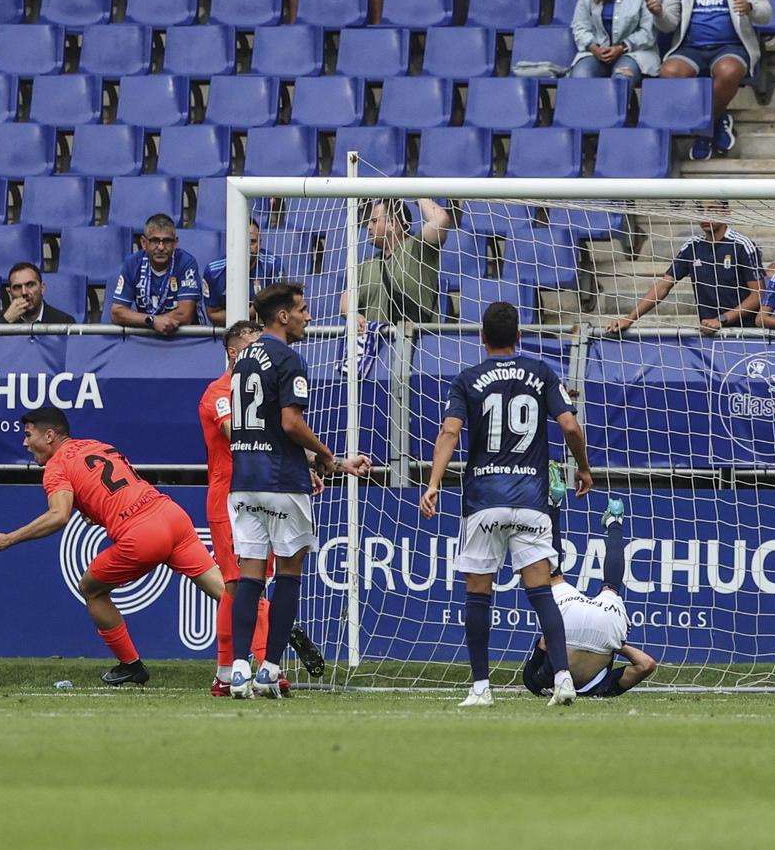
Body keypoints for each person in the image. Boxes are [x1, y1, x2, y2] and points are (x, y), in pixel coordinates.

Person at [420, 301, 592, 708]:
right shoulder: (541, 372)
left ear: (482, 338)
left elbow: (449, 432)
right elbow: (569, 424)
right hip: (532, 499)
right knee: (541, 593)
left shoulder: (468, 378)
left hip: (484, 499)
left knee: (478, 592)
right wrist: (583, 469)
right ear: (519, 336)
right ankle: (564, 678)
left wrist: (432, 483)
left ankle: (481, 688)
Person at [0, 407, 228, 688]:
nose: (24, 443)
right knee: (226, 592)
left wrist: (10, 539)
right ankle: (273, 640)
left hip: (142, 535)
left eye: (29, 435)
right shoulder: (96, 445)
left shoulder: (56, 466)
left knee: (91, 588)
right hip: (171, 514)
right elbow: (118, 486)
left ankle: (131, 665)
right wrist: (97, 510)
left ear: (50, 435)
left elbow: (58, 515)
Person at [225, 282, 371, 698]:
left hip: (245, 482)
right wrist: (327, 454)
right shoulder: (289, 358)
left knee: (251, 576)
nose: (309, 317)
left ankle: (239, 669)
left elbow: (266, 425)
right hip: (281, 483)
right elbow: (290, 423)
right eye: (303, 310)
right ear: (283, 316)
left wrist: (329, 461)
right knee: (289, 574)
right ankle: (270, 668)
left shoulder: (243, 361)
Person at [198, 321, 276, 695]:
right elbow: (238, 433)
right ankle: (263, 667)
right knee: (243, 583)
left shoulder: (259, 393)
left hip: (260, 494)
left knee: (239, 588)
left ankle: (226, 673)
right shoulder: (218, 393)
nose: (262, 354)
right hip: (229, 498)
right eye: (253, 345)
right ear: (234, 352)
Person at [518, 500, 660, 699]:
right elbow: (545, 641)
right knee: (553, 575)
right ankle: (554, 504)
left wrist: (613, 644)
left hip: (604, 625)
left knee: (611, 587)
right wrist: (612, 645)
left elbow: (646, 665)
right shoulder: (534, 683)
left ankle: (615, 520)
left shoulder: (603, 689)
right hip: (571, 625)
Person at [654, 0, 771, 159]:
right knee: (668, 72)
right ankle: (719, 119)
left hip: (730, 46)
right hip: (690, 47)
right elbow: (669, 24)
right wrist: (658, 13)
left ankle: (704, 133)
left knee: (728, 71)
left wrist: (750, 7)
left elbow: (766, 13)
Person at [605, 200, 762, 335]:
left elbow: (759, 295)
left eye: (712, 209)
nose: (705, 215)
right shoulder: (692, 246)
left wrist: (722, 319)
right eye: (700, 210)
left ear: (726, 212)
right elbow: (662, 287)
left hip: (746, 334)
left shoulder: (742, 245)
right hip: (708, 333)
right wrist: (629, 318)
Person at [344, 196, 451, 325]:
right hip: (375, 342)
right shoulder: (365, 265)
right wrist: (352, 314)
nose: (368, 227)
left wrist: (418, 193)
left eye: (374, 221)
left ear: (393, 224)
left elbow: (441, 220)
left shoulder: (418, 248)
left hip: (415, 342)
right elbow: (345, 299)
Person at [109, 214, 201, 335]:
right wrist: (152, 321)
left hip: (182, 338)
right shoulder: (132, 264)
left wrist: (154, 322)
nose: (161, 247)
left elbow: (185, 314)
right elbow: (117, 313)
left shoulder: (186, 263)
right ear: (144, 242)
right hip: (145, 339)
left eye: (167, 241)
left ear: (175, 243)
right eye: (155, 241)